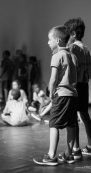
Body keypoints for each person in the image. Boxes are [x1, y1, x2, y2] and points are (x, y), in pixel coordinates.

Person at [33, 26, 78, 166]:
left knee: (54, 124)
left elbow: (53, 80)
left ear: (57, 40)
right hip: (73, 95)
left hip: (62, 94)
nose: (48, 42)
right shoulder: (73, 56)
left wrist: (51, 95)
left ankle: (51, 156)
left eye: (49, 39)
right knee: (72, 124)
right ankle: (68, 154)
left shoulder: (57, 55)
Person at [64, 18, 91, 158]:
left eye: (67, 34)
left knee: (73, 118)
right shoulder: (86, 49)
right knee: (85, 115)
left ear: (73, 33)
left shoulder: (72, 48)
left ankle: (76, 149)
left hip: (74, 86)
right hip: (84, 85)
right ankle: (90, 145)